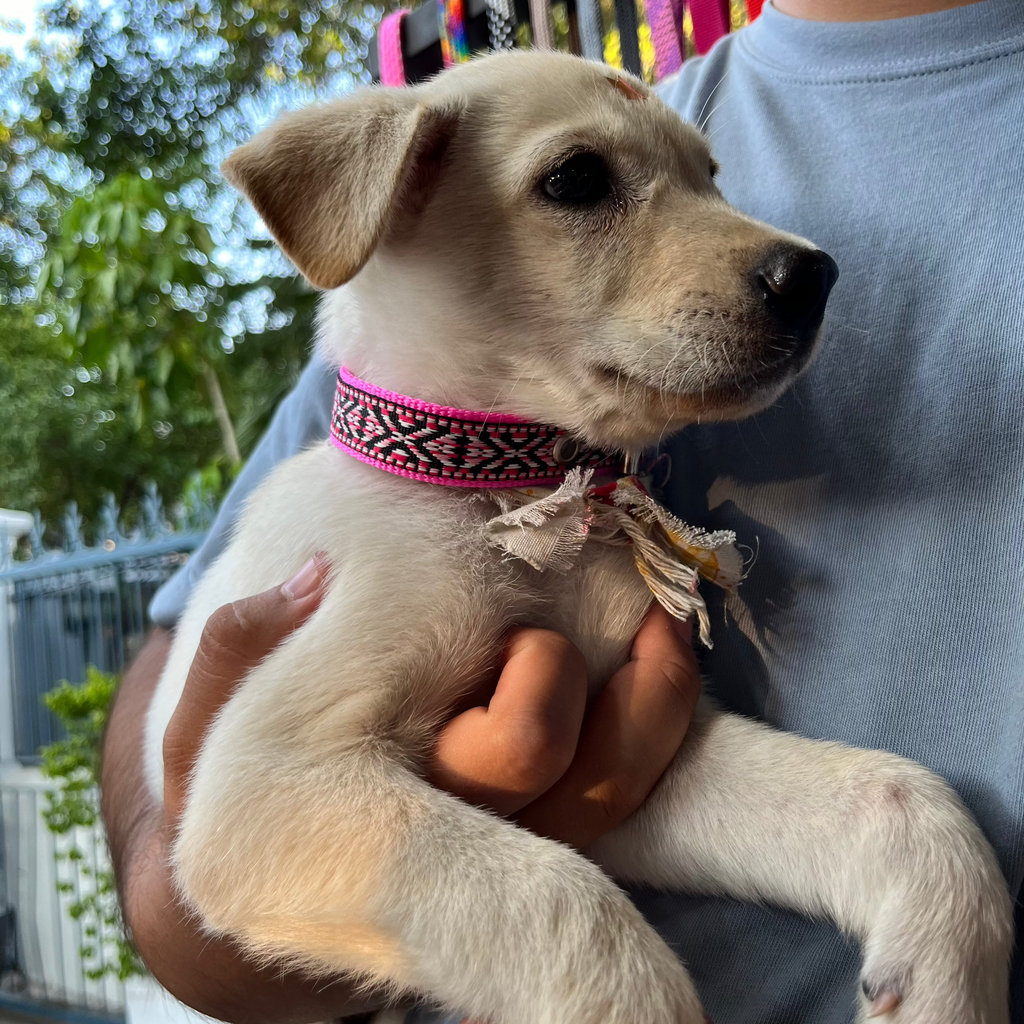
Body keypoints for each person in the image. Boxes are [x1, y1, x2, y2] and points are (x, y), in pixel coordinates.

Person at [100, 0, 1024, 1021]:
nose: (769, 249)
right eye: (578, 183)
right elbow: (241, 832)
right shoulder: (357, 495)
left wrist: (906, 850)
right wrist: (581, 967)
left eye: (701, 179)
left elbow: (630, 784)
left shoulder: (589, 500)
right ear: (390, 194)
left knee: (921, 845)